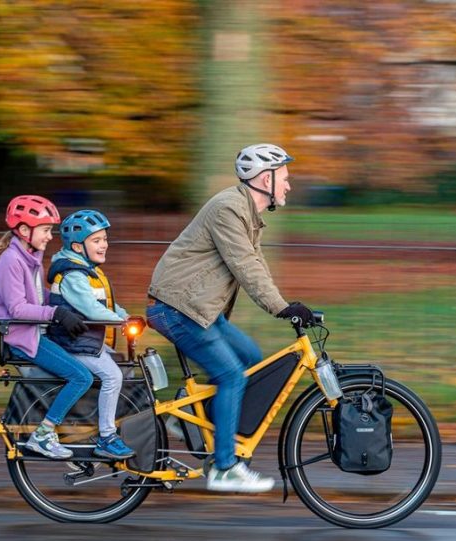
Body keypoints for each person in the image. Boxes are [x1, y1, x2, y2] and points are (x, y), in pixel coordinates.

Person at [146, 143, 316, 493]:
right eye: (285, 178)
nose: (289, 185)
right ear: (265, 178)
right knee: (232, 375)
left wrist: (285, 303)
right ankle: (225, 467)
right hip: (177, 308)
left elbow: (256, 266)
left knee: (252, 361)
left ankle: (188, 418)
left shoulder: (248, 214)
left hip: (199, 309)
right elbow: (244, 265)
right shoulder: (228, 209)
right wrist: (280, 307)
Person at [0, 194, 93, 460]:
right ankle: (44, 434)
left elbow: (37, 296)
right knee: (82, 377)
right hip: (24, 341)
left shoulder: (29, 256)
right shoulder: (12, 261)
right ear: (24, 230)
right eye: (45, 230)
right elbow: (18, 309)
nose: (49, 237)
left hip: (35, 333)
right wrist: (56, 313)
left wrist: (66, 303)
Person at [45, 209, 137, 461]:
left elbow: (105, 304)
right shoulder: (74, 274)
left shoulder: (87, 269)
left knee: (124, 366)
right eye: (96, 241)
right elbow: (90, 308)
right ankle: (107, 437)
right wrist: (120, 322)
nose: (104, 245)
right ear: (77, 246)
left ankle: (102, 419)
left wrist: (125, 316)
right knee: (112, 375)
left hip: (86, 341)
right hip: (73, 343)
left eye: (105, 239)